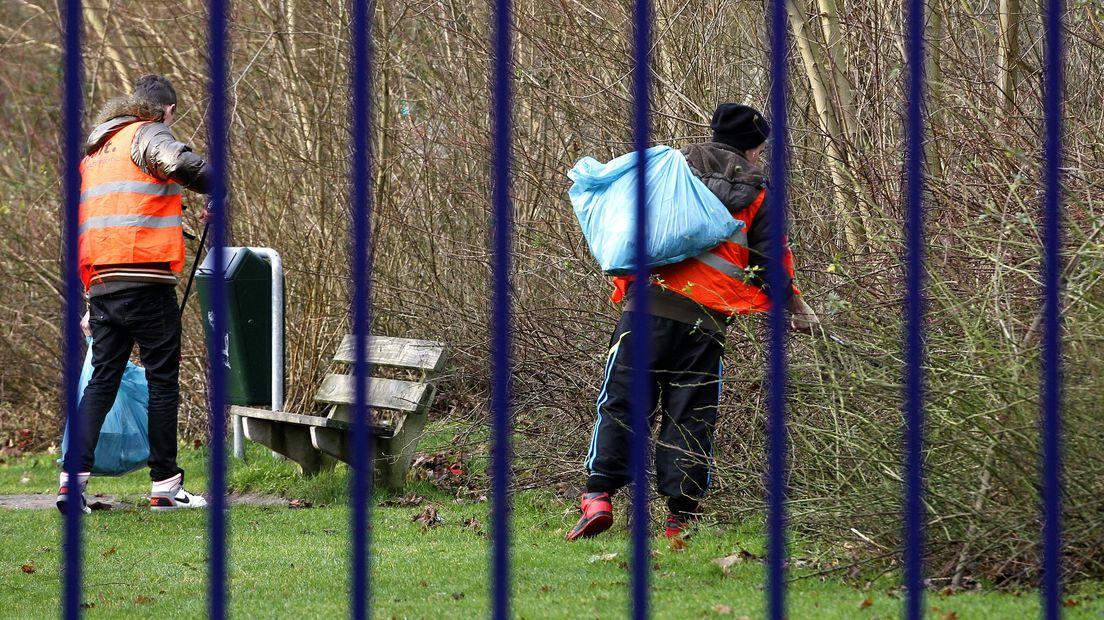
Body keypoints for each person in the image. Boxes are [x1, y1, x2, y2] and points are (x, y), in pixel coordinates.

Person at [567, 103, 819, 541]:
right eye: (761, 147)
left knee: (623, 403)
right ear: (754, 146)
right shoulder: (760, 191)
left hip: (646, 308)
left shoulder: (672, 167)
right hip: (706, 322)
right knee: (691, 415)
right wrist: (795, 308)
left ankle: (599, 497)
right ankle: (679, 518)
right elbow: (771, 261)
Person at [58, 74, 210, 513]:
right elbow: (184, 165)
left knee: (102, 382)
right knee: (162, 383)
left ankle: (72, 483)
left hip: (103, 282)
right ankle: (165, 484)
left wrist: (90, 295)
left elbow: (95, 223)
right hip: (146, 280)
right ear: (165, 110)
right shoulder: (148, 133)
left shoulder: (97, 152)